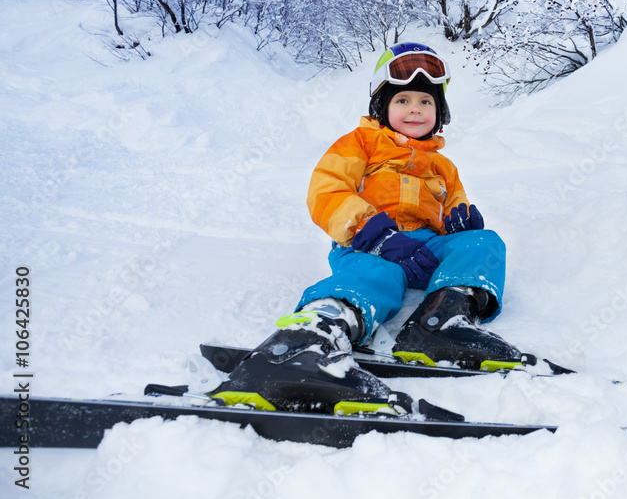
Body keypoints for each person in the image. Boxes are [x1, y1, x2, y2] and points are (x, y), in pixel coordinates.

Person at [212, 43, 524, 415]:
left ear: (439, 112)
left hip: (423, 252)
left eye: (426, 102)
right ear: (382, 106)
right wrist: (371, 232)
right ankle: (304, 343)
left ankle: (441, 323)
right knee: (377, 274)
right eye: (403, 100)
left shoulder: (443, 166)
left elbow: (454, 202)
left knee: (484, 243)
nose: (415, 109)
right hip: (368, 245)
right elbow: (326, 190)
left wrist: (461, 223)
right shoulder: (360, 143)